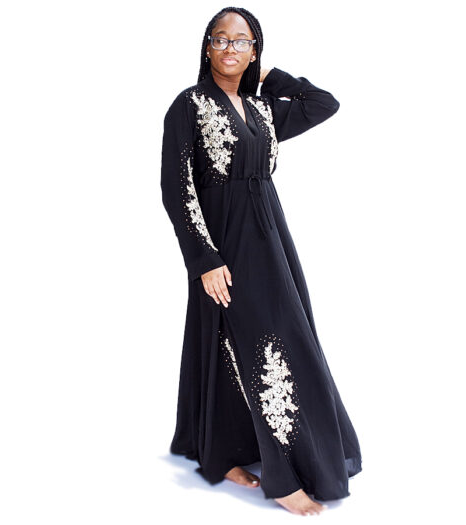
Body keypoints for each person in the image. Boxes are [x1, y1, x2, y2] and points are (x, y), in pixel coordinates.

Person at [160, 7, 362, 516]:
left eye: (243, 41)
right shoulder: (188, 106)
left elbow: (324, 103)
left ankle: (223, 451)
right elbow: (177, 188)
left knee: (274, 334)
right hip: (224, 242)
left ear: (255, 50)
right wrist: (204, 259)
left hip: (270, 236)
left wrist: (268, 74)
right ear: (206, 46)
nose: (230, 48)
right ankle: (283, 472)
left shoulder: (261, 107)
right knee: (260, 340)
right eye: (221, 39)